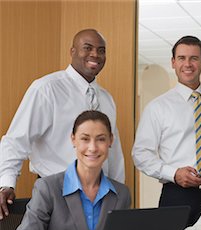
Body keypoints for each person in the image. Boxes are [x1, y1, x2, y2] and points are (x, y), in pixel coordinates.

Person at [0, 29, 125, 219]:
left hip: (99, 197)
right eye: (87, 48)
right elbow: (16, 141)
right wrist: (6, 183)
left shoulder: (106, 99)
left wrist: (117, 195)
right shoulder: (46, 89)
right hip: (55, 194)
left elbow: (113, 153)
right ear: (72, 51)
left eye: (101, 50)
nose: (95, 55)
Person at [132, 35, 201, 227]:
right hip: (176, 195)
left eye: (194, 58)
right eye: (182, 58)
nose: (188, 64)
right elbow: (141, 154)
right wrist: (173, 173)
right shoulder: (157, 107)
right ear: (173, 63)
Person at [13, 111, 130, 230]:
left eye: (101, 139)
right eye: (85, 139)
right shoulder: (47, 188)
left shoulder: (121, 194)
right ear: (73, 139)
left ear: (111, 140)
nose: (93, 147)